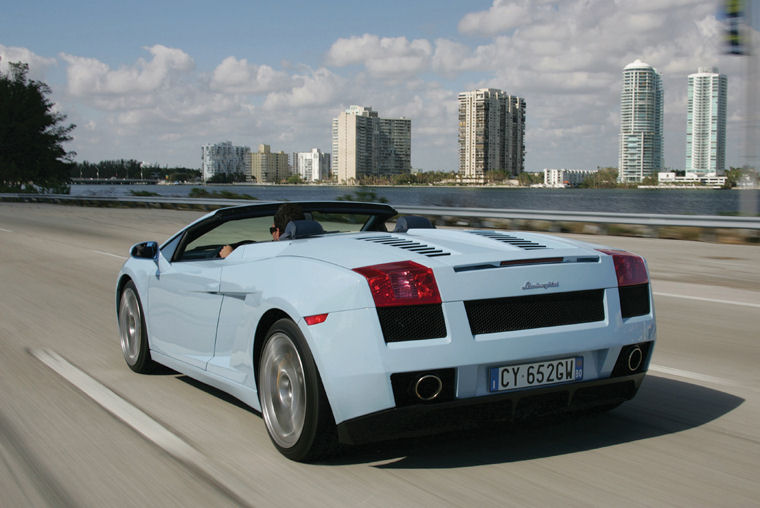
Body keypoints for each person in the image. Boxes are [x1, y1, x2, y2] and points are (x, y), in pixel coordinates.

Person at [219, 203, 304, 258]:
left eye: (272, 230)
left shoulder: (277, 257)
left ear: (277, 233)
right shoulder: (308, 248)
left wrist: (230, 256)